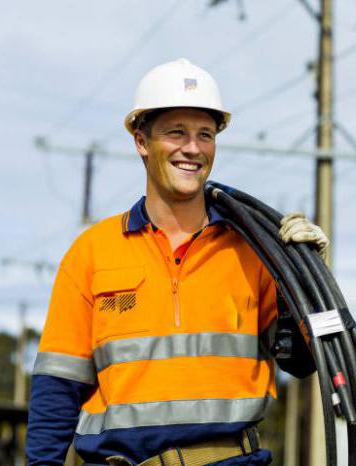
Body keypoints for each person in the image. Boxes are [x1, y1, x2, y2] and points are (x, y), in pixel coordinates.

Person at [26, 58, 328, 466]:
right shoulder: (92, 252)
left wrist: (305, 281)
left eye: (205, 134)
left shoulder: (253, 249)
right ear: (141, 141)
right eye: (176, 133)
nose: (193, 148)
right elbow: (58, 387)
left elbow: (302, 362)